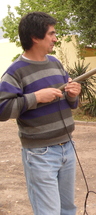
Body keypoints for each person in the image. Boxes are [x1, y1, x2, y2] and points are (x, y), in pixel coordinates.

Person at [0, 12, 81, 215]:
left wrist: (73, 94)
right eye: (51, 34)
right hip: (40, 154)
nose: (55, 38)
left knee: (68, 209)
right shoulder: (15, 72)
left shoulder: (55, 63)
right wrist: (35, 97)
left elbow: (71, 103)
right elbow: (2, 109)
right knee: (49, 212)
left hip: (68, 148)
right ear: (35, 37)